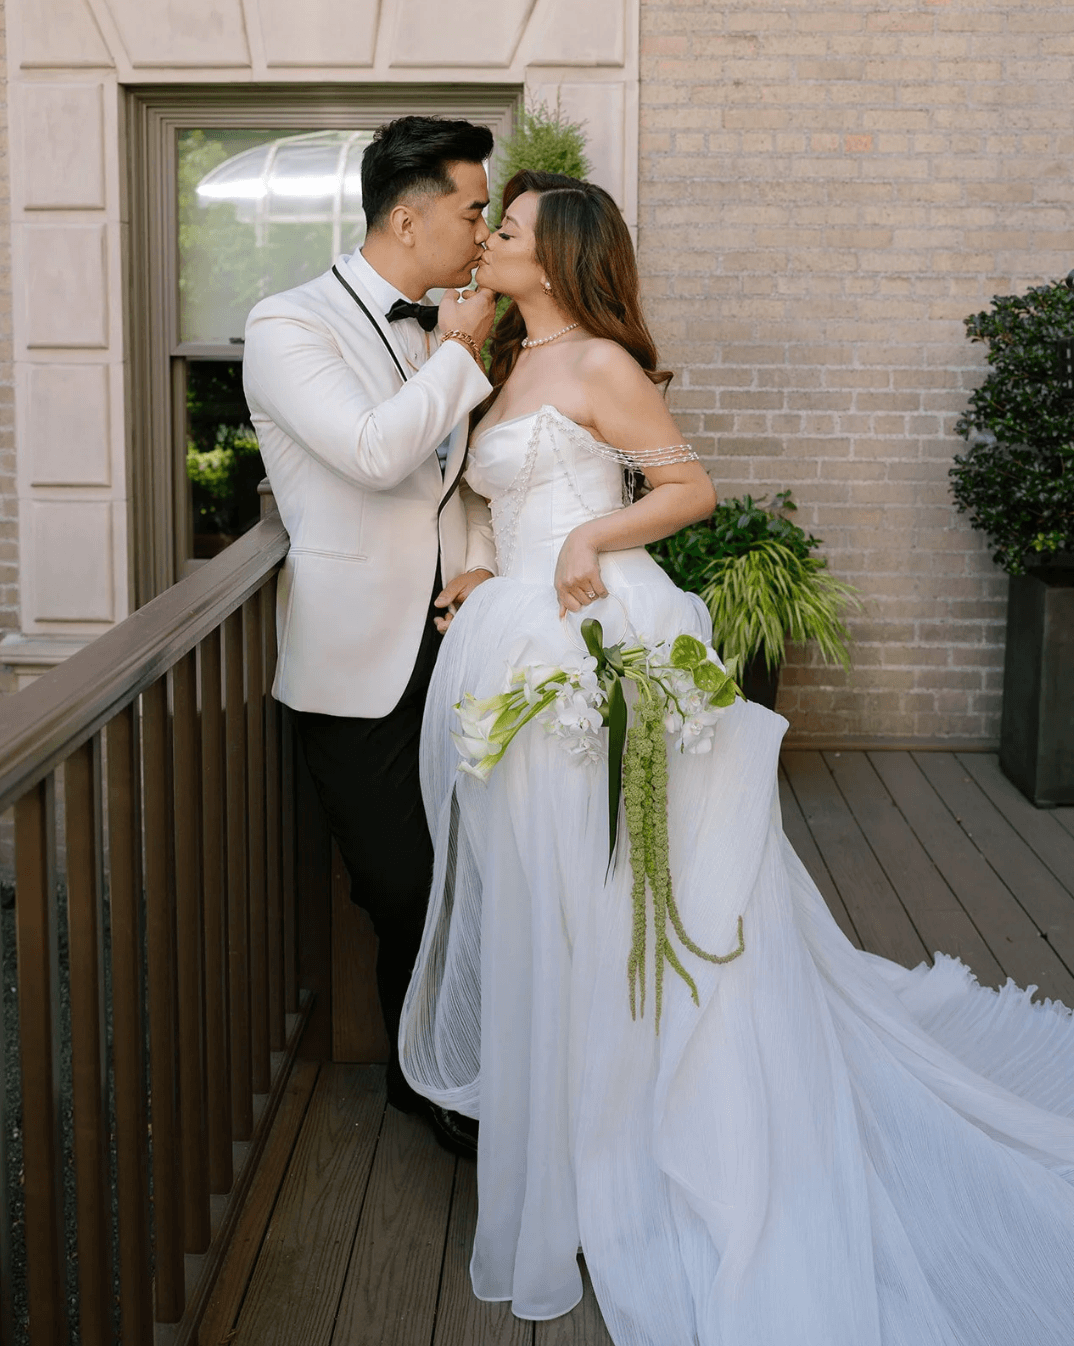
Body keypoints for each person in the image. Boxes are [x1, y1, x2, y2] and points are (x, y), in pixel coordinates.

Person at [399, 170, 1074, 1344]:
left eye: (505, 228)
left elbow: (687, 489)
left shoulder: (602, 360)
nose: (488, 238)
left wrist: (596, 536)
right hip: (517, 634)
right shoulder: (506, 361)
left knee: (624, 884)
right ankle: (569, 1121)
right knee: (549, 891)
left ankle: (650, 1120)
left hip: (602, 633)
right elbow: (501, 504)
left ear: (554, 255)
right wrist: (484, 570)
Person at [243, 116, 500, 1155]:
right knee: (403, 878)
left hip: (462, 640)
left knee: (481, 866)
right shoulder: (287, 324)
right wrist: (462, 350)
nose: (483, 232)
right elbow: (377, 452)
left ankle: (452, 1065)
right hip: (353, 663)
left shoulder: (440, 327)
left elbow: (459, 478)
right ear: (410, 214)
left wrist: (479, 556)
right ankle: (417, 1067)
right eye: (473, 209)